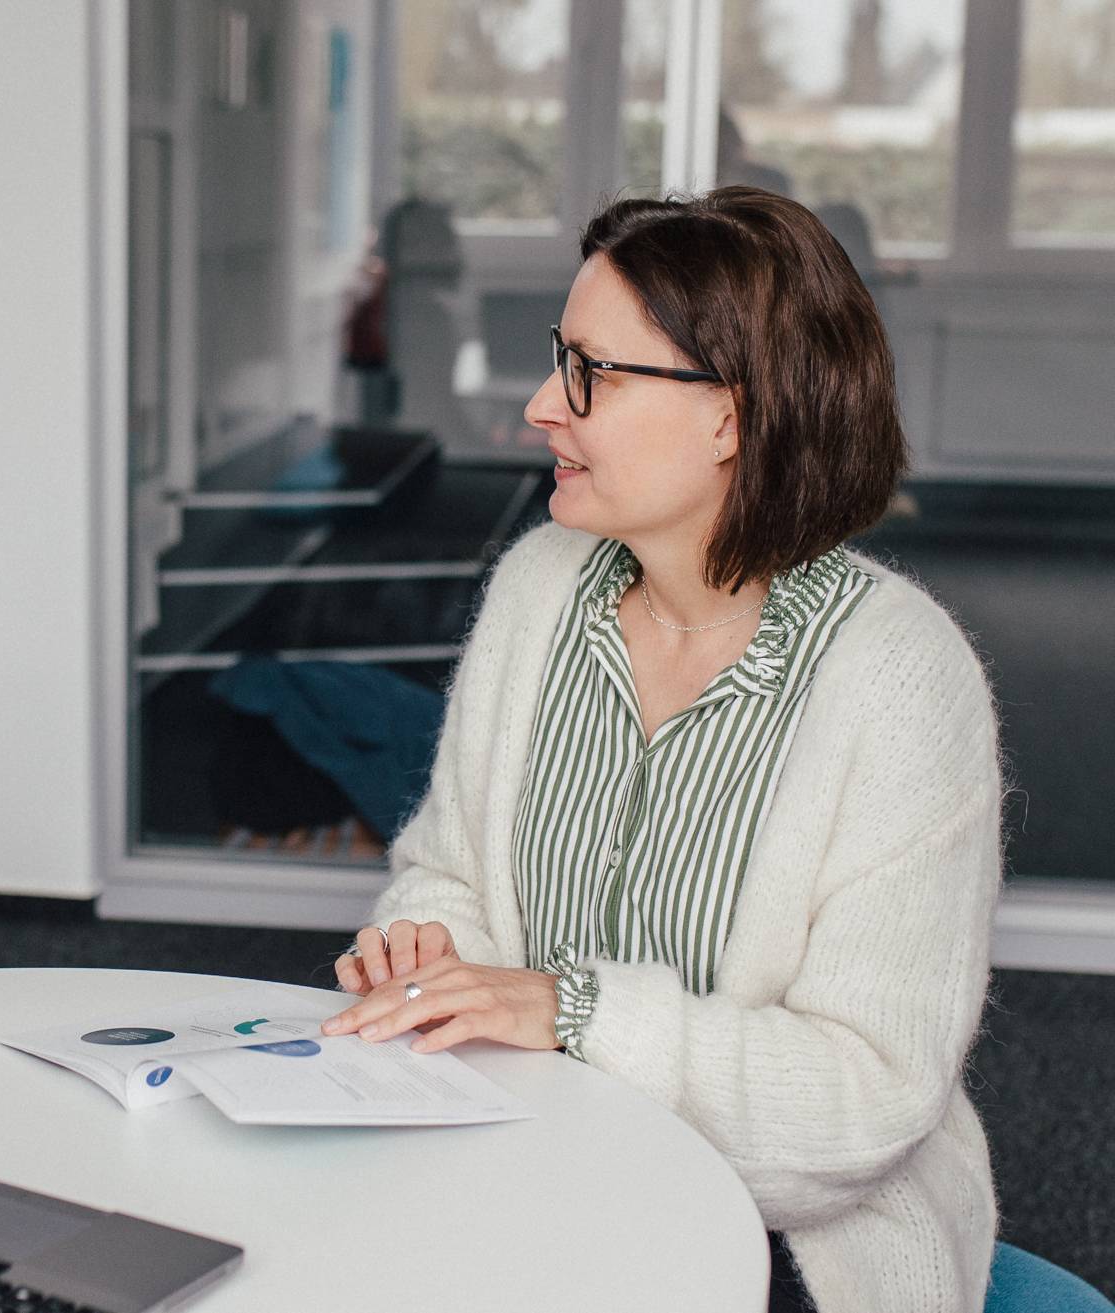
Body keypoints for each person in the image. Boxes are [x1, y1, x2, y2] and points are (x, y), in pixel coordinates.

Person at [321, 187, 999, 1312]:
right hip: (530, 1160)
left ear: (730, 416)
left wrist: (571, 1011)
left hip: (786, 1238)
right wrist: (426, 957)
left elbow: (867, 1097)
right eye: (558, 360)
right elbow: (448, 867)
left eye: (590, 372)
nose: (543, 405)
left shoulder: (899, 679)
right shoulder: (538, 586)